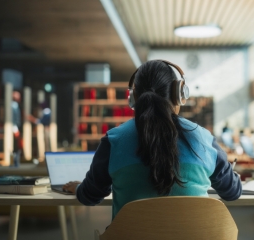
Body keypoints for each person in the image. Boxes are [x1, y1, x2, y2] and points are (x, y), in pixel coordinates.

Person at [63, 60, 242, 219]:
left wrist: (79, 188)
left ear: (133, 98)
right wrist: (233, 177)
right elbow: (232, 192)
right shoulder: (204, 138)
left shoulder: (113, 140)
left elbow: (90, 196)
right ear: (179, 94)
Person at [12, 91, 22, 166]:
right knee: (15, 144)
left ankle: (16, 160)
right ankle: (14, 161)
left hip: (16, 126)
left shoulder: (16, 105)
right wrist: (15, 128)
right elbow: (13, 118)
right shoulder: (13, 105)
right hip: (14, 127)